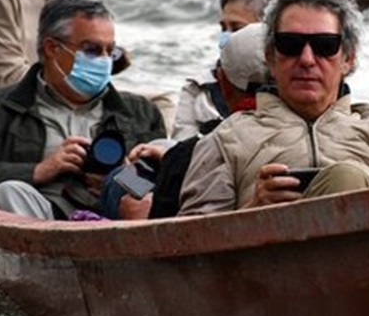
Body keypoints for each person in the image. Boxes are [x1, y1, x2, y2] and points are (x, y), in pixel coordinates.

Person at [178, 0, 369, 215]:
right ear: (270, 57)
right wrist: (253, 208)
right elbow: (192, 245)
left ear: (348, 59)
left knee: (347, 178)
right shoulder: (223, 143)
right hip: (272, 259)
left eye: (324, 45)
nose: (307, 60)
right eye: (290, 44)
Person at [0, 0, 167, 221]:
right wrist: (40, 170)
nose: (105, 61)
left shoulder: (140, 113)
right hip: (41, 218)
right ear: (52, 48)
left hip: (119, 220)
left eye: (110, 51)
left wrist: (123, 176)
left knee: (150, 167)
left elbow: (168, 190)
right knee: (10, 190)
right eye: (92, 50)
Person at [103, 23, 270, 220]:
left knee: (121, 177)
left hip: (178, 215)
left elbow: (184, 225)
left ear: (222, 83)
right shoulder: (308, 128)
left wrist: (143, 218)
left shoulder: (206, 147)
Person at [171, 0, 283, 140]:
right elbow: (184, 152)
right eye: (224, 28)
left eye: (237, 28)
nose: (226, 36)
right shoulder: (198, 90)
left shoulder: (295, 87)